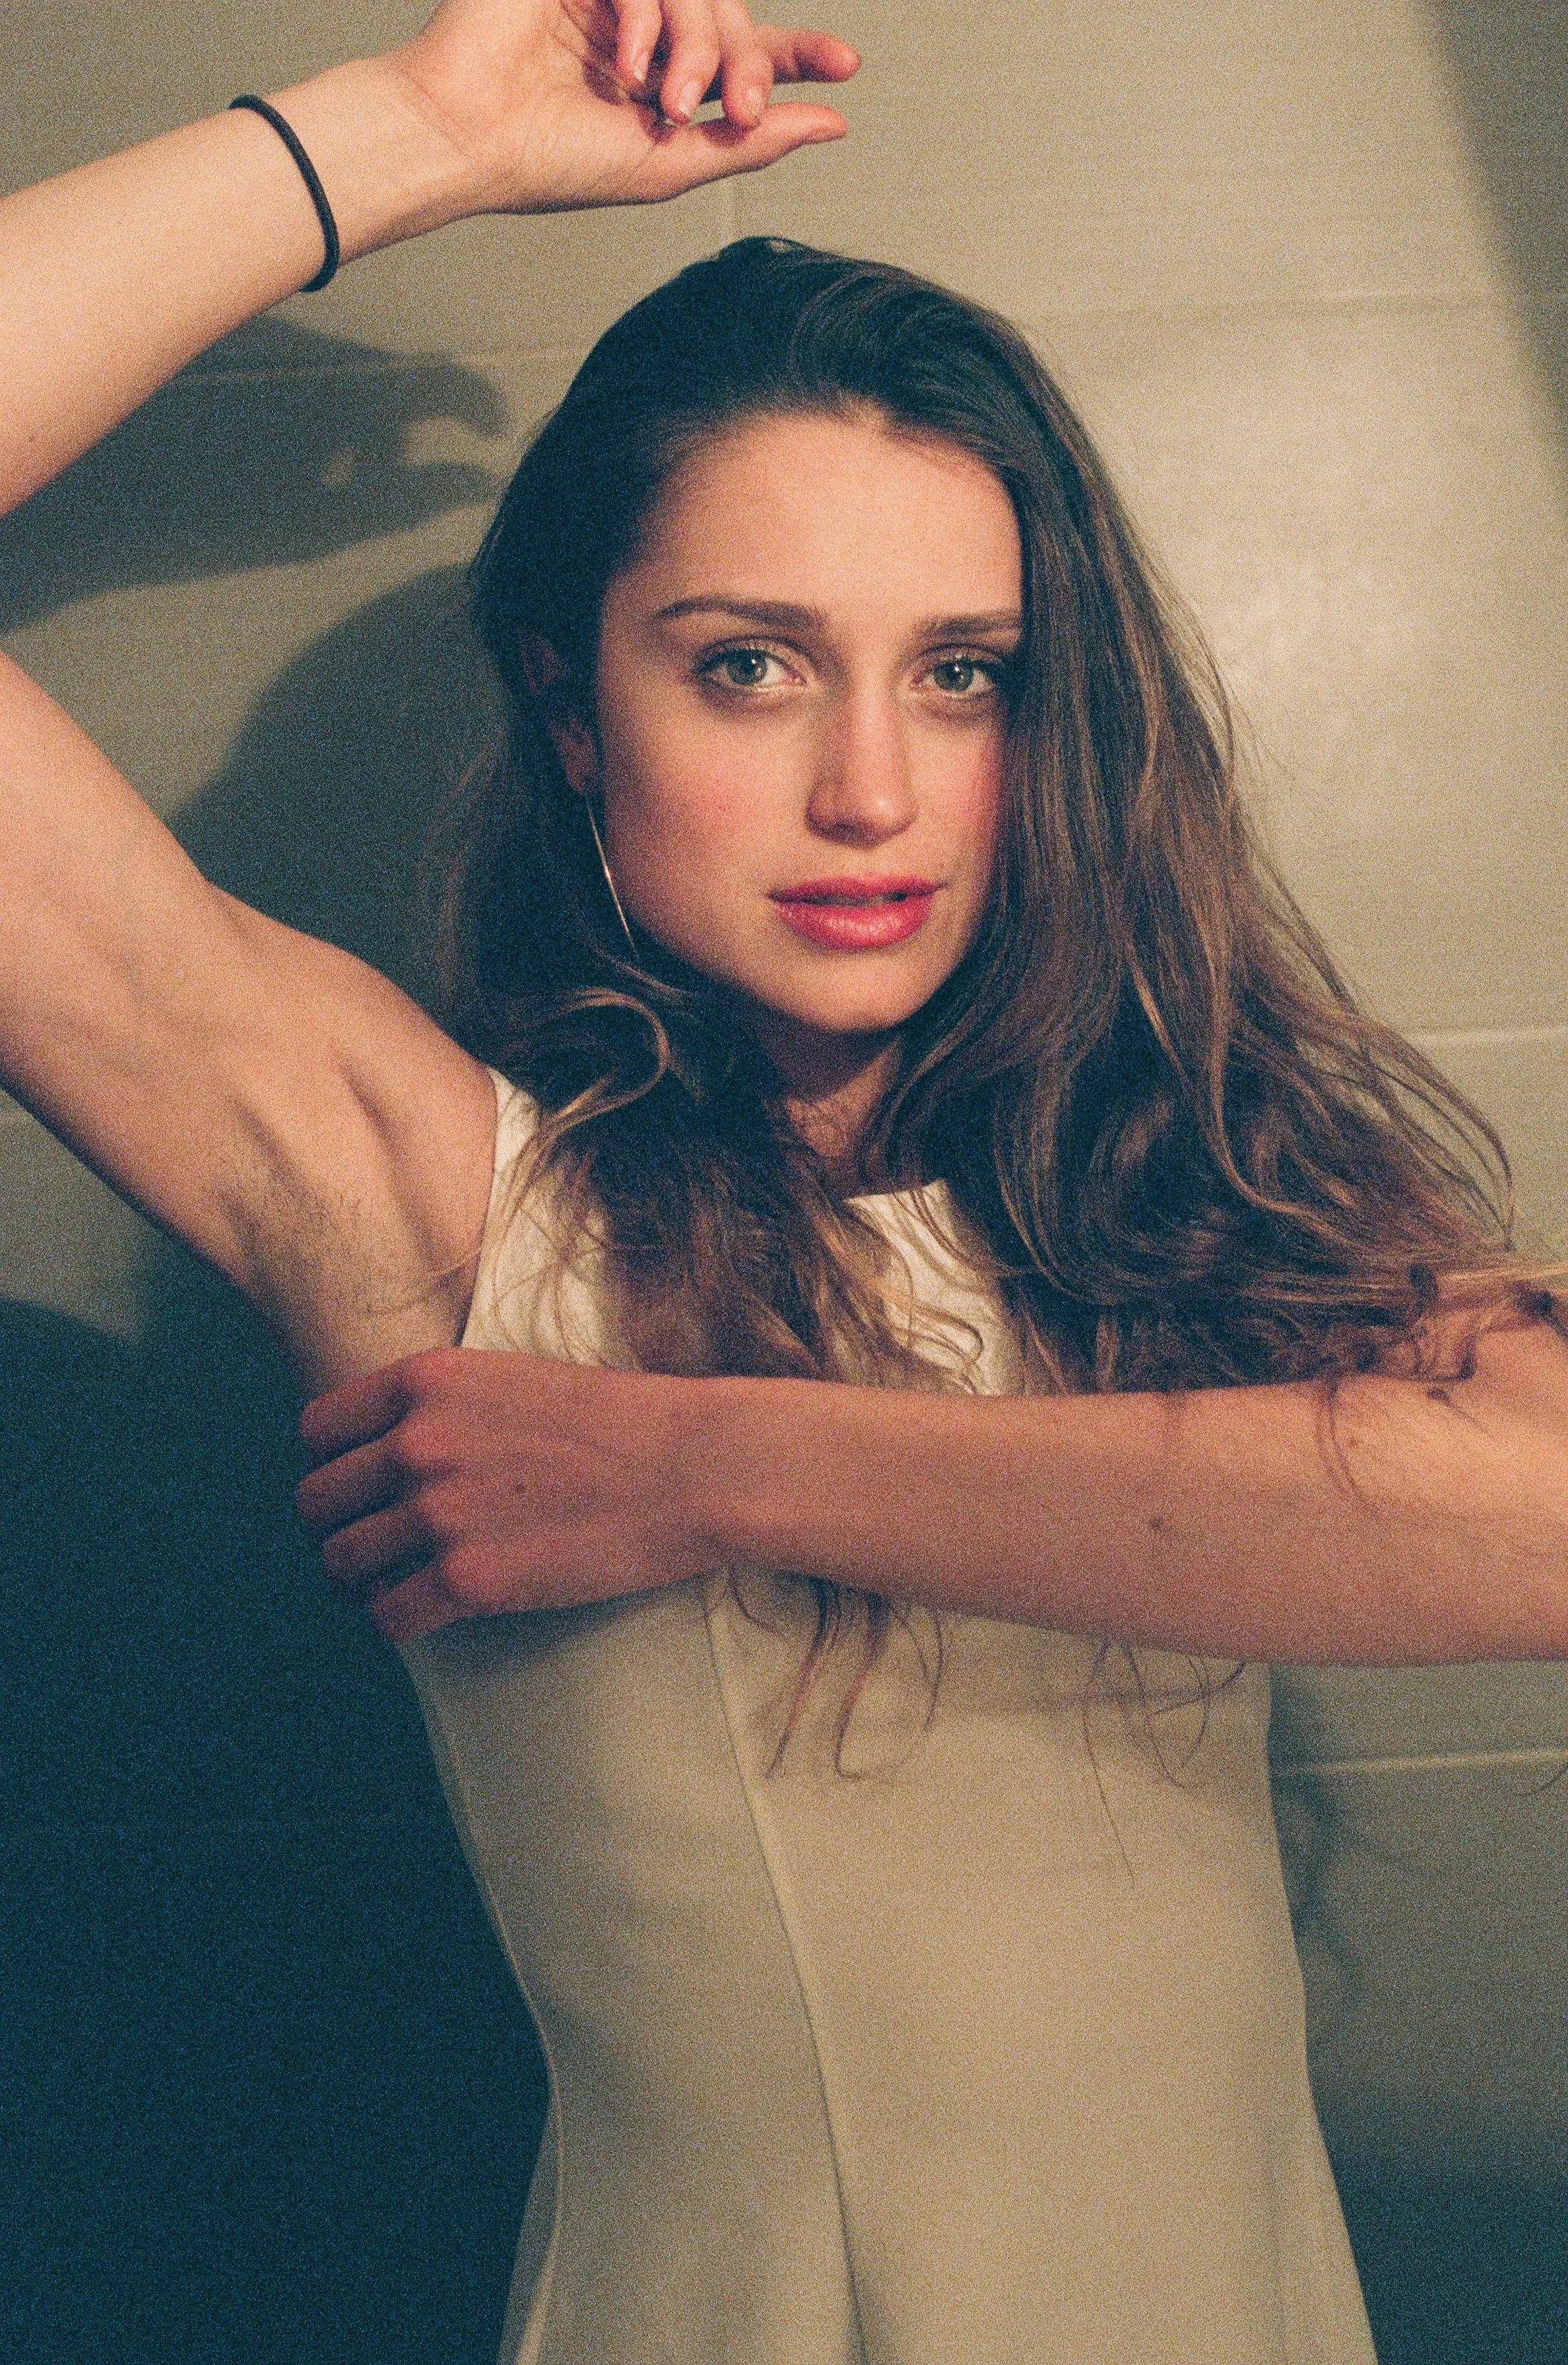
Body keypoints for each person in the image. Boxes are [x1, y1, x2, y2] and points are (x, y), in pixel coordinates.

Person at [3, 1, 1565, 2357]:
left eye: (967, 674)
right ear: (567, 703)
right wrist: (403, 135)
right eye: (748, 667)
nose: (874, 791)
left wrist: (704, 1463)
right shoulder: (444, 1205)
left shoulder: (1197, 1210)